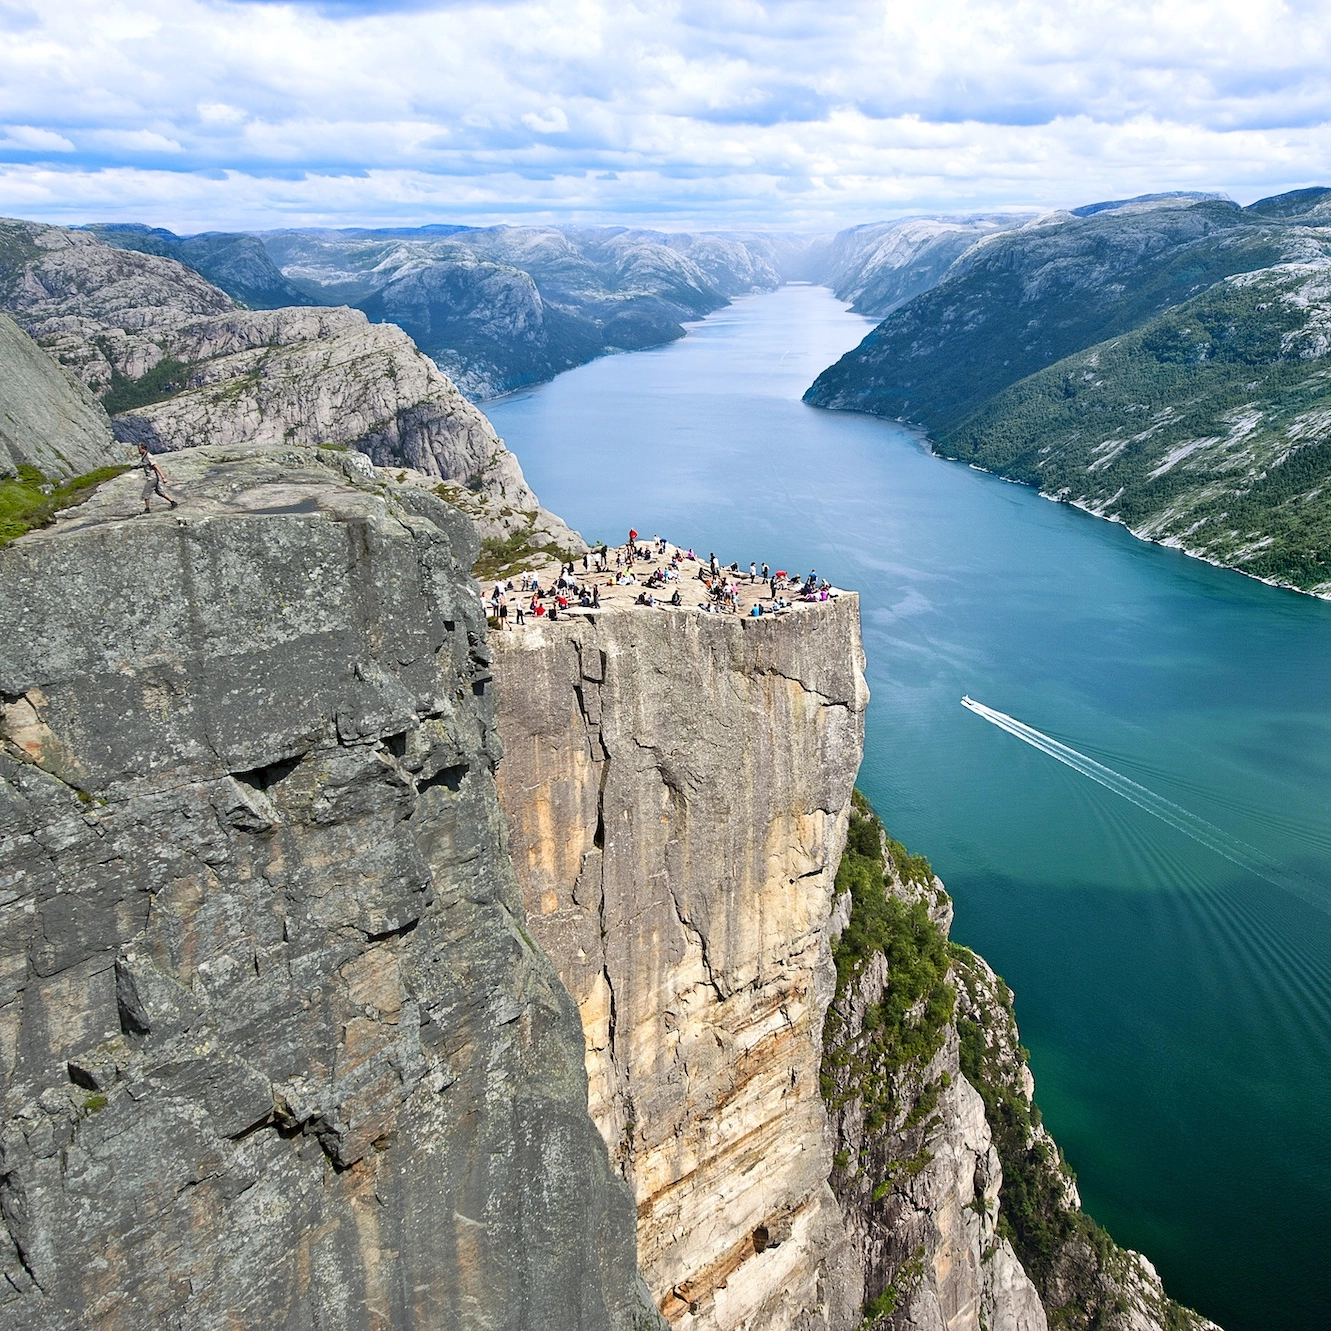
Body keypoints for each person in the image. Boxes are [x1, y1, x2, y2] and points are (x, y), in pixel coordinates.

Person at [137, 442, 178, 513]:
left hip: (152, 478)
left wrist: (163, 477)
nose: (138, 451)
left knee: (146, 494)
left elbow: (156, 467)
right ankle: (173, 502)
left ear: (143, 449)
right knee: (160, 492)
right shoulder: (144, 456)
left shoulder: (149, 456)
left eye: (139, 449)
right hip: (154, 478)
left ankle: (147, 509)